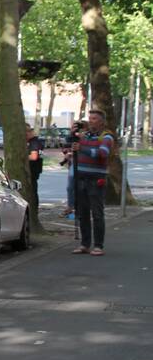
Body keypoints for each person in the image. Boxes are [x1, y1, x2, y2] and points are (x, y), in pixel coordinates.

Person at [72, 108, 114, 256]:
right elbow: (68, 145)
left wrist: (82, 148)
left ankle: (98, 245)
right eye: (90, 119)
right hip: (81, 177)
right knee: (82, 212)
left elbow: (103, 153)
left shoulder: (106, 137)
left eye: (94, 119)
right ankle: (85, 244)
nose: (91, 121)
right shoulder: (84, 135)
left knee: (97, 213)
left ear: (101, 121)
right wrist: (72, 134)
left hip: (96, 179)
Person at [26, 125, 43, 204]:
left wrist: (21, 157)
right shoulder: (34, 142)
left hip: (32, 170)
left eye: (27, 132)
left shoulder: (34, 142)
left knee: (32, 191)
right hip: (33, 170)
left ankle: (33, 207)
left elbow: (34, 157)